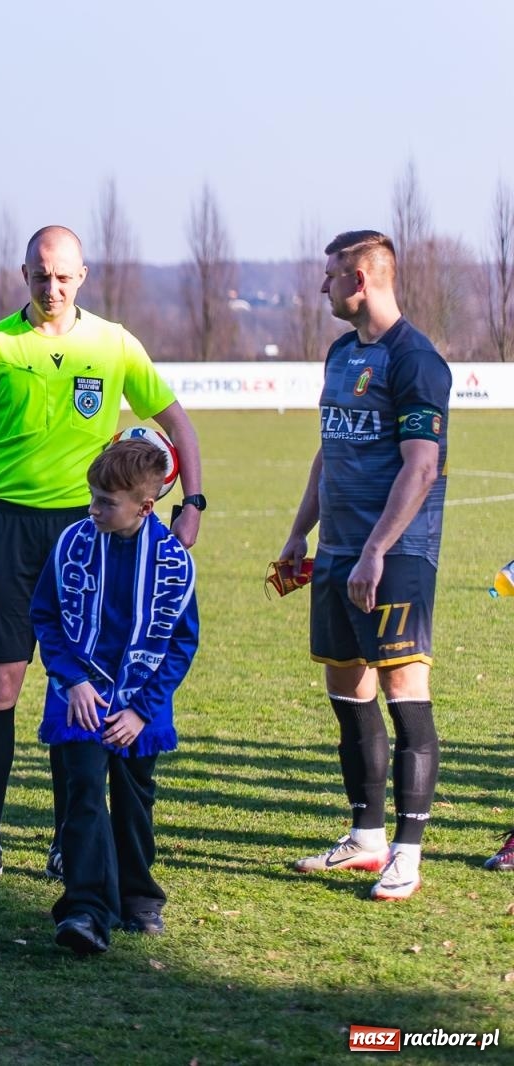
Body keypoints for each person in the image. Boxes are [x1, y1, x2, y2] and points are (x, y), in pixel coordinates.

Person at [0, 224, 204, 889]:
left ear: (82, 276)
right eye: (40, 275)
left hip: (89, 531)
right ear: (23, 274)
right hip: (6, 528)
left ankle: (68, 839)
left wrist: (195, 501)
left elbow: (177, 423)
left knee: (81, 684)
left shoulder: (114, 344)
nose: (51, 287)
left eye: (63, 276)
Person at [281, 230, 448, 902]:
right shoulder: (340, 353)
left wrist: (376, 550)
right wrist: (300, 533)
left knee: (405, 697)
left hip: (397, 555)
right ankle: (366, 836)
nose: (322, 287)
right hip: (336, 553)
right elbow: (329, 450)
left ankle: (407, 853)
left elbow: (422, 466)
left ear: (360, 279)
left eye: (330, 276)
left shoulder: (416, 360)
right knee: (348, 695)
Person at [30, 441, 198, 955]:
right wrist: (72, 679)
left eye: (106, 502)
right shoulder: (72, 543)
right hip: (78, 695)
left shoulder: (173, 562)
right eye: (92, 497)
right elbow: (46, 615)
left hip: (140, 704)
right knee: (83, 791)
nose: (93, 509)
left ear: (145, 507)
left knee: (133, 800)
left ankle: (139, 898)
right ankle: (84, 910)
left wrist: (141, 711)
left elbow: (181, 643)